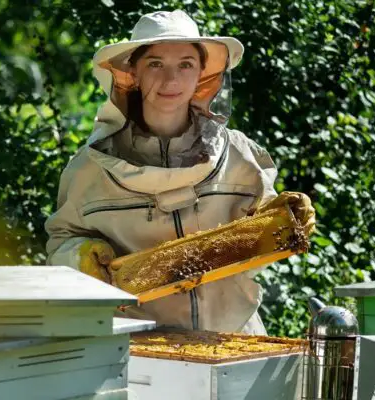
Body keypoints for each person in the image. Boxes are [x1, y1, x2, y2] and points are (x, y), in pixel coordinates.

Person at [44, 10, 315, 335]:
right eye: (155, 64)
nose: (171, 80)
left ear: (202, 73)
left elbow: (263, 241)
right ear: (133, 72)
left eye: (185, 64)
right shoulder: (89, 169)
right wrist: (79, 257)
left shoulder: (240, 155)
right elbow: (58, 244)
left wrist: (283, 222)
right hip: (135, 349)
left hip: (231, 338)